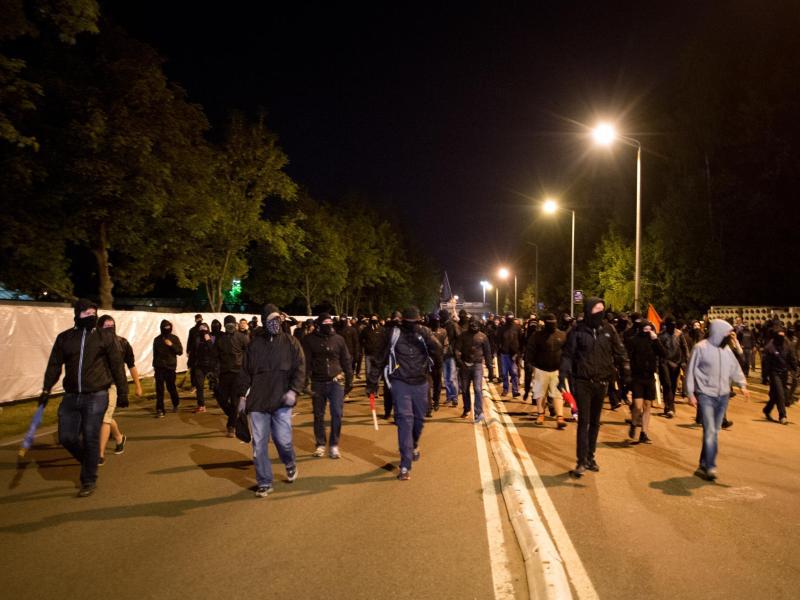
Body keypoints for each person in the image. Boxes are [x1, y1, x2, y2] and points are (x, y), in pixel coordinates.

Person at [41, 299, 129, 497]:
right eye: (87, 313)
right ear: (77, 314)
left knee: (90, 437)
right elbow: (54, 365)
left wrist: (123, 392)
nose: (91, 316)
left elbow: (117, 365)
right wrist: (46, 389)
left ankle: (88, 479)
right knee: (67, 437)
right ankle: (88, 461)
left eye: (94, 313)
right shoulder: (65, 338)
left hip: (97, 395)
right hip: (71, 396)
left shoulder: (104, 337)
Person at [237, 304, 305, 497]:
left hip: (282, 401)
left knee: (283, 441)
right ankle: (264, 481)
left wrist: (294, 390)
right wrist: (242, 395)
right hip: (258, 402)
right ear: (264, 321)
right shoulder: (254, 345)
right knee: (259, 445)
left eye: (278, 319)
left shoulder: (291, 343)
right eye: (271, 320)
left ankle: (290, 463)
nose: (275, 323)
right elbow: (245, 372)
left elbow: (300, 368)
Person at [367, 307, 442, 481]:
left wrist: (435, 371)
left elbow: (438, 351)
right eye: (410, 323)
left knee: (418, 420)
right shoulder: (392, 334)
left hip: (421, 382)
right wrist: (372, 383)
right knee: (404, 421)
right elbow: (379, 359)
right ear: (403, 322)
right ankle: (405, 465)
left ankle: (414, 444)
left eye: (416, 323)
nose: (413, 326)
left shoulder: (424, 333)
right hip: (400, 382)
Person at [560, 298, 630, 478]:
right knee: (584, 422)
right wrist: (563, 375)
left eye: (602, 309)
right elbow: (568, 355)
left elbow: (620, 352)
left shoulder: (609, 330)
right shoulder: (577, 331)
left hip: (602, 382)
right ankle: (581, 461)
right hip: (583, 382)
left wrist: (626, 371)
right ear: (589, 309)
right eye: (597, 308)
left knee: (595, 422)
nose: (600, 311)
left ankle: (591, 457)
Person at [685, 320, 749, 481]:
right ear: (719, 332)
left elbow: (735, 368)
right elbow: (690, 371)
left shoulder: (726, 350)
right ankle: (711, 466)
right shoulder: (700, 348)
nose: (730, 337)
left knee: (713, 432)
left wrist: (742, 385)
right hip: (705, 395)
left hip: (723, 397)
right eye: (728, 333)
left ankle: (703, 463)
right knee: (711, 431)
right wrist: (691, 394)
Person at [302, 313, 353, 458]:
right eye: (325, 324)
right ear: (318, 325)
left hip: (336, 382)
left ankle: (334, 444)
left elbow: (346, 359)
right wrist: (304, 382)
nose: (329, 327)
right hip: (317, 383)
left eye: (330, 323)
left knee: (337, 413)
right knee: (318, 415)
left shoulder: (338, 339)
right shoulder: (309, 340)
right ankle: (320, 444)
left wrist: (349, 379)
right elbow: (306, 362)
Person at [96, 315, 141, 465]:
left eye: (111, 325)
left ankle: (100, 454)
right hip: (96, 384)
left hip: (113, 384)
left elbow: (131, 365)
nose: (109, 329)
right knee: (102, 416)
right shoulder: (93, 343)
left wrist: (138, 385)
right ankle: (119, 437)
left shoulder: (123, 343)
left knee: (105, 417)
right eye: (106, 326)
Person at [626, 320, 667, 445]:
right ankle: (634, 423)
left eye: (650, 329)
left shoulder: (654, 341)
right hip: (637, 377)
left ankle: (644, 433)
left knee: (647, 405)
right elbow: (628, 357)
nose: (647, 331)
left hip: (649, 377)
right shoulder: (634, 340)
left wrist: (656, 340)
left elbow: (664, 353)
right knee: (638, 406)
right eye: (645, 329)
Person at [527, 313, 568, 429]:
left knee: (558, 394)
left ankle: (560, 417)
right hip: (541, 369)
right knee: (540, 393)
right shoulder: (537, 336)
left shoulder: (562, 335)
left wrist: (566, 367)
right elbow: (530, 350)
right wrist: (529, 364)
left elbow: (567, 352)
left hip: (557, 370)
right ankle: (541, 415)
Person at [216, 315, 250, 436]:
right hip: (224, 373)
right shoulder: (220, 339)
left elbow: (249, 352)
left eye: (232, 324)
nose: (230, 326)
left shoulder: (242, 337)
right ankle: (233, 414)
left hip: (238, 373)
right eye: (227, 324)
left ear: (235, 324)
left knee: (235, 401)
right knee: (221, 399)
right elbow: (215, 356)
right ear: (224, 325)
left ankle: (231, 426)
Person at [454, 315, 492, 421]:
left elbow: (488, 353)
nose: (473, 326)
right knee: (465, 390)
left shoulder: (483, 337)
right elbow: (457, 349)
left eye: (475, 324)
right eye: (472, 324)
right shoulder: (463, 335)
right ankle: (467, 409)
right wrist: (460, 362)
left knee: (477, 389)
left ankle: (478, 412)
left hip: (477, 366)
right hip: (465, 365)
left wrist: (490, 369)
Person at [762, 325, 797, 424]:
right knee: (780, 394)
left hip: (784, 372)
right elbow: (765, 364)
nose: (782, 338)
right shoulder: (770, 347)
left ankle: (767, 410)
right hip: (774, 373)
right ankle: (782, 416)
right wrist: (765, 377)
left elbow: (791, 356)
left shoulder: (787, 343)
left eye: (783, 335)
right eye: (779, 336)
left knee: (775, 395)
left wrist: (795, 368)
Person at [658, 318, 689, 419]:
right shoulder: (661, 335)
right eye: (670, 325)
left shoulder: (679, 334)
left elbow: (684, 348)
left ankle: (668, 407)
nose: (673, 327)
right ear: (666, 325)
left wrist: (686, 361)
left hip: (676, 363)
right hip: (665, 362)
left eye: (674, 325)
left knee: (673, 386)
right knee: (666, 384)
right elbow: (657, 350)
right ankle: (670, 408)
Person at [152, 319, 183, 417]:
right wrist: (155, 365)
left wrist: (171, 345)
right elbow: (155, 354)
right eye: (165, 327)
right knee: (159, 389)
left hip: (170, 367)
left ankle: (176, 403)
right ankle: (160, 409)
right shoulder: (157, 340)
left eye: (168, 327)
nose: (166, 329)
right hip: (159, 367)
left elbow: (180, 351)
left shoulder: (174, 338)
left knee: (171, 387)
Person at [191, 322, 217, 413]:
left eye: (204, 329)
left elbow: (214, 352)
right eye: (201, 329)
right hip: (199, 366)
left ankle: (221, 400)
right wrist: (191, 363)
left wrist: (208, 341)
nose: (203, 331)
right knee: (199, 385)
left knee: (215, 385)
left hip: (210, 366)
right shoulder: (197, 339)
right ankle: (201, 405)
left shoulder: (213, 338)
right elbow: (193, 352)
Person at [439, 309, 461, 407]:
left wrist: (456, 351)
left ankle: (454, 398)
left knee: (452, 377)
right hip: (443, 355)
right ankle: (449, 397)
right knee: (446, 378)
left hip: (451, 355)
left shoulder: (453, 325)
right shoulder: (441, 326)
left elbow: (459, 338)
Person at [497, 312, 522, 398]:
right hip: (504, 354)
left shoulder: (517, 328)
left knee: (514, 373)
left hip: (514, 355)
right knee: (504, 373)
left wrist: (518, 352)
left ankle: (515, 390)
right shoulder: (502, 329)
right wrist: (501, 349)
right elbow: (498, 340)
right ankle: (505, 389)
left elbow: (521, 340)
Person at [186, 314, 203, 390]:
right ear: (195, 320)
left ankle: (199, 384)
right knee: (193, 369)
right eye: (197, 319)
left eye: (200, 318)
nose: (199, 320)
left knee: (200, 370)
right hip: (193, 353)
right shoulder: (192, 330)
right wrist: (188, 350)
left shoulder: (205, 328)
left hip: (202, 353)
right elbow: (189, 341)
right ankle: (193, 384)